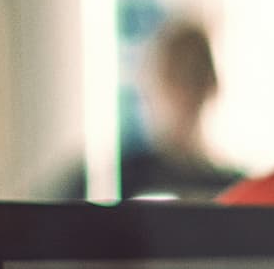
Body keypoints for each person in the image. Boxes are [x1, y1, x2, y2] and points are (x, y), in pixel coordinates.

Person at [49, 18, 245, 201]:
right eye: (176, 75)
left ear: (212, 84)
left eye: (195, 74)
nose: (185, 91)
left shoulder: (233, 187)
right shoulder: (117, 178)